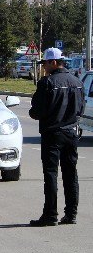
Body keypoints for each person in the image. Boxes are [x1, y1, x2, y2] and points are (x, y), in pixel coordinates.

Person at [28, 48, 84, 226]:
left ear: (53, 62)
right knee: (70, 174)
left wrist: (34, 112)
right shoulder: (77, 81)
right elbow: (81, 109)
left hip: (53, 134)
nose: (43, 67)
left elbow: (37, 111)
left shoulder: (47, 83)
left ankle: (50, 214)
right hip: (71, 133)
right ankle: (71, 214)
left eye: (44, 63)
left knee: (51, 174)